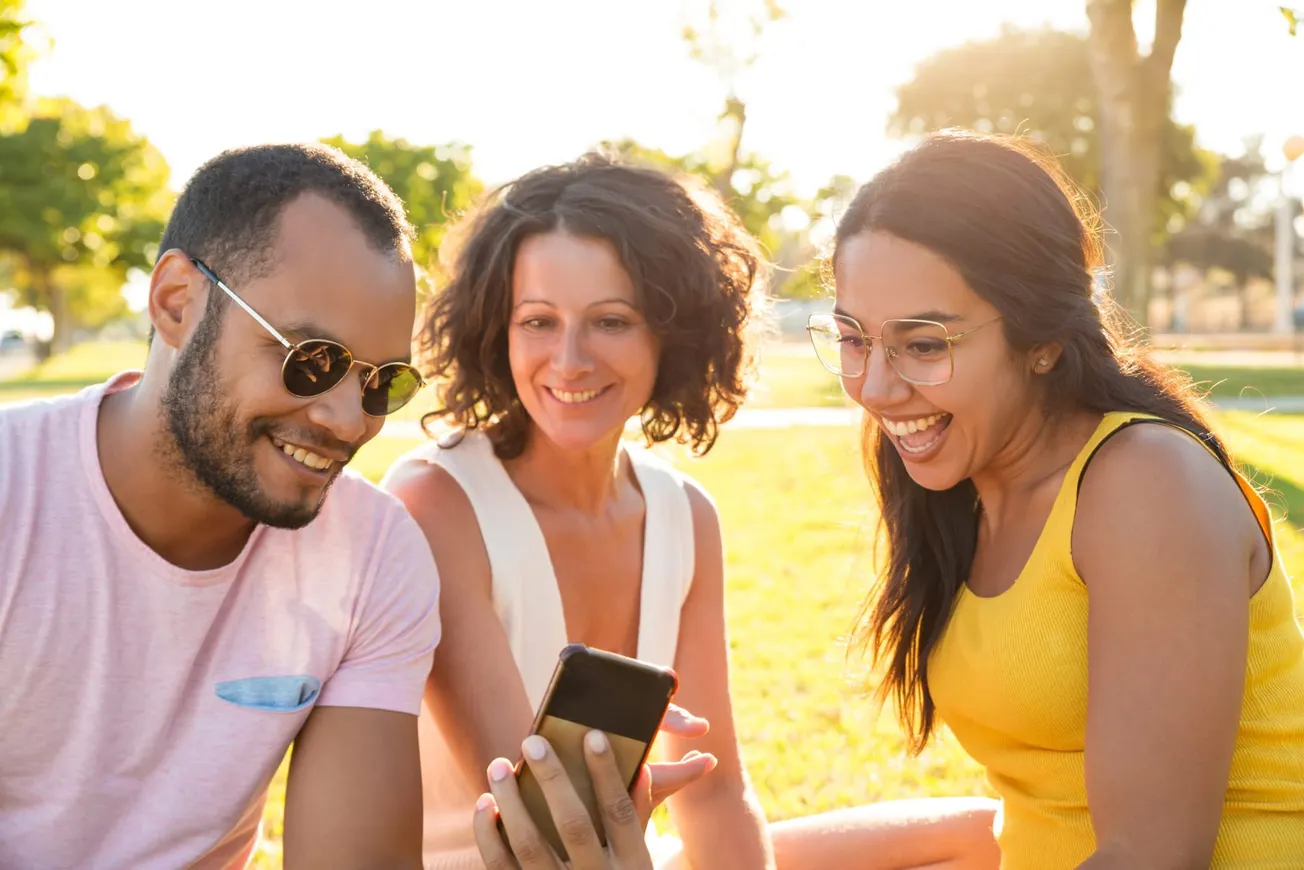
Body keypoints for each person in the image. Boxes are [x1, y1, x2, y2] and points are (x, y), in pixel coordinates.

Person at [383, 153, 1000, 870]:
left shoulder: (682, 515)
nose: (570, 359)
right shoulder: (436, 503)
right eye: (539, 321)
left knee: (985, 838)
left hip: (624, 858)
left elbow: (713, 789)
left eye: (610, 321)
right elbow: (539, 822)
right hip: (525, 858)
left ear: (671, 334)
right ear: (498, 331)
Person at [813, 131, 1304, 868]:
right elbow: (1036, 805)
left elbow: (1153, 855)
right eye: (853, 339)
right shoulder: (962, 479)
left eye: (923, 344)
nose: (877, 388)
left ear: (1040, 338)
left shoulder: (1145, 483)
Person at [0, 143, 442, 869]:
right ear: (177, 302)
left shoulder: (371, 554)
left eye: (380, 383)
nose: (347, 420)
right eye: (312, 360)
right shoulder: (14, 491)